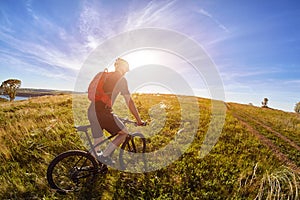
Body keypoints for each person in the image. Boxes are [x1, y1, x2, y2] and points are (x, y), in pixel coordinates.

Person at [87, 58, 144, 165]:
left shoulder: (105, 76)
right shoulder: (121, 80)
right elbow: (129, 102)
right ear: (125, 69)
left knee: (97, 142)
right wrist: (139, 120)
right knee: (124, 133)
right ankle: (105, 157)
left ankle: (95, 166)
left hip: (91, 111)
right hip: (103, 113)